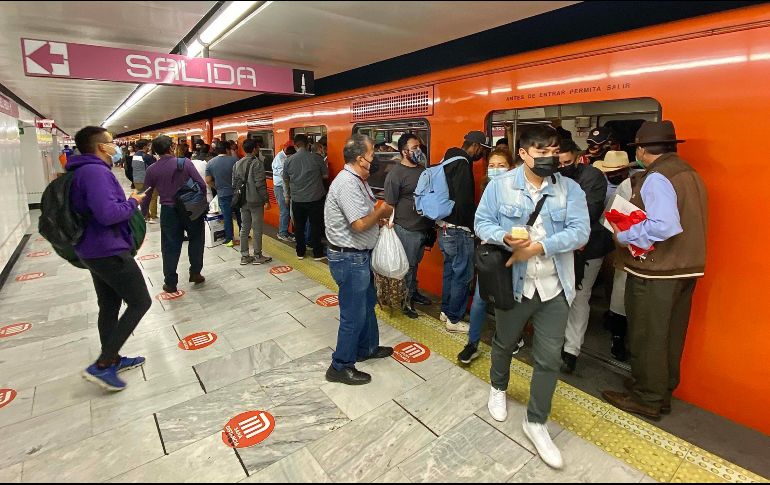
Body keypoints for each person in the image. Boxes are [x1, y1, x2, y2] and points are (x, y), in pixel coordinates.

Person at [475, 124, 589, 469]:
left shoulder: (570, 190)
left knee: (549, 359)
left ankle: (536, 421)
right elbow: (481, 223)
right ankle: (498, 387)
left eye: (554, 151)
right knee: (505, 342)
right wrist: (504, 238)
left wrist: (541, 245)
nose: (549, 158)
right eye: (541, 152)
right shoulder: (500, 187)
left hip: (555, 288)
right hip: (516, 285)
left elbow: (580, 232)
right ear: (523, 153)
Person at [602, 120, 708, 419]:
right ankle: (660, 390)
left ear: (643, 150)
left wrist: (623, 237)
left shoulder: (657, 177)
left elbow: (665, 225)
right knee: (670, 333)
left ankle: (646, 398)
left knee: (647, 334)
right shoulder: (688, 172)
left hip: (657, 273)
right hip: (685, 268)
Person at [67, 126, 152, 391]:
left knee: (110, 304)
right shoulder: (95, 173)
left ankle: (112, 358)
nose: (114, 146)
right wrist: (133, 202)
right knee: (140, 302)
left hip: (93, 249)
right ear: (101, 146)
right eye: (111, 142)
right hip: (108, 249)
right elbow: (108, 214)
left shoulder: (82, 171)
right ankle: (102, 365)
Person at [324, 134, 394, 385]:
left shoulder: (358, 180)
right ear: (359, 158)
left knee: (367, 305)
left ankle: (367, 348)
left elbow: (367, 213)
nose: (374, 159)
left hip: (358, 256)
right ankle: (340, 366)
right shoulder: (346, 184)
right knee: (353, 314)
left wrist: (379, 217)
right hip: (348, 259)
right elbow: (359, 224)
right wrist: (381, 212)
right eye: (372, 155)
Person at [458, 148, 522, 364]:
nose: (496, 170)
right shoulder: (488, 190)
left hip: (516, 254)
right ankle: (472, 343)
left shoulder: (522, 192)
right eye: (492, 166)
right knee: (479, 300)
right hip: (492, 256)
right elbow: (481, 223)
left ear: (512, 168)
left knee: (511, 300)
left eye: (501, 165)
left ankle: (513, 339)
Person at [557, 140, 615, 373]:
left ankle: (571, 350)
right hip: (559, 247)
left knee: (579, 296)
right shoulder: (550, 175)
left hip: (588, 248)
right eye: (558, 163)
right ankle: (555, 340)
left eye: (567, 162)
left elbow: (588, 212)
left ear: (577, 157)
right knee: (558, 295)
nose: (562, 166)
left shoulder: (593, 177)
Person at [438, 131, 491, 333]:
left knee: (450, 271)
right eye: (482, 151)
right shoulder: (462, 164)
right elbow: (464, 202)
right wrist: (474, 229)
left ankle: (445, 310)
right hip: (459, 230)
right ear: (476, 146)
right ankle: (453, 318)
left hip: (445, 228)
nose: (481, 156)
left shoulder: (448, 158)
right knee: (462, 274)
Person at [141, 135, 207, 293]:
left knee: (170, 246)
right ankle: (195, 273)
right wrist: (200, 203)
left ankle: (170, 283)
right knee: (196, 239)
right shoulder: (185, 163)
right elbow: (201, 185)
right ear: (171, 147)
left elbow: (146, 195)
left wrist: (144, 213)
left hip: (168, 211)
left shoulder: (152, 169)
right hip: (190, 208)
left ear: (155, 151)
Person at [383, 133, 433, 319]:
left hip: (422, 227)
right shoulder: (395, 174)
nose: (419, 151)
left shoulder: (422, 170)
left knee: (415, 264)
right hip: (406, 228)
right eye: (414, 148)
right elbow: (390, 203)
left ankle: (413, 292)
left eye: (419, 147)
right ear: (404, 151)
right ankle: (405, 301)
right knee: (407, 267)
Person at [593, 150, 636, 361]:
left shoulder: (628, 186)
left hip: (624, 246)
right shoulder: (625, 186)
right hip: (618, 246)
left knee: (621, 294)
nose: (613, 174)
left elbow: (607, 219)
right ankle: (617, 335)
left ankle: (619, 335)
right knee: (617, 293)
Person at [283, 133, 328, 260]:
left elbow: (285, 180)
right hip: (315, 198)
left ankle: (300, 252)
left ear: (295, 145)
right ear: (308, 144)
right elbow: (325, 176)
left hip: (297, 199)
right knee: (315, 226)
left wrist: (287, 196)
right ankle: (317, 253)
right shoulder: (317, 158)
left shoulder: (288, 161)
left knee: (299, 226)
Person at [233, 138, 273, 265]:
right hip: (255, 200)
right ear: (255, 148)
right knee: (257, 228)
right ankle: (257, 255)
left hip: (243, 200)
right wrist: (266, 200)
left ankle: (244, 256)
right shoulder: (257, 164)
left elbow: (234, 183)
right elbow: (260, 184)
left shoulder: (237, 163)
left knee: (244, 228)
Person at [206, 141, 241, 247]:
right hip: (236, 193)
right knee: (240, 214)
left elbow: (208, 180)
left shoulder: (210, 163)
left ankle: (229, 239)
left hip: (222, 193)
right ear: (227, 149)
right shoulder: (235, 160)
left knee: (227, 216)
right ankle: (243, 234)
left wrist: (217, 187)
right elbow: (240, 177)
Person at [272, 141, 295, 242]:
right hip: (280, 187)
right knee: (285, 211)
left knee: (288, 211)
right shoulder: (280, 158)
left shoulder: (285, 156)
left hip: (285, 187)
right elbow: (285, 175)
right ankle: (282, 233)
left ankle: (285, 231)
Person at [132, 140, 158, 223]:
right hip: (146, 180)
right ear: (144, 147)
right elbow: (155, 166)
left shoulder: (135, 155)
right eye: (148, 146)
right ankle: (152, 217)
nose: (149, 147)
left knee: (142, 197)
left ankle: (145, 215)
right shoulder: (146, 156)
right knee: (153, 197)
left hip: (137, 180)